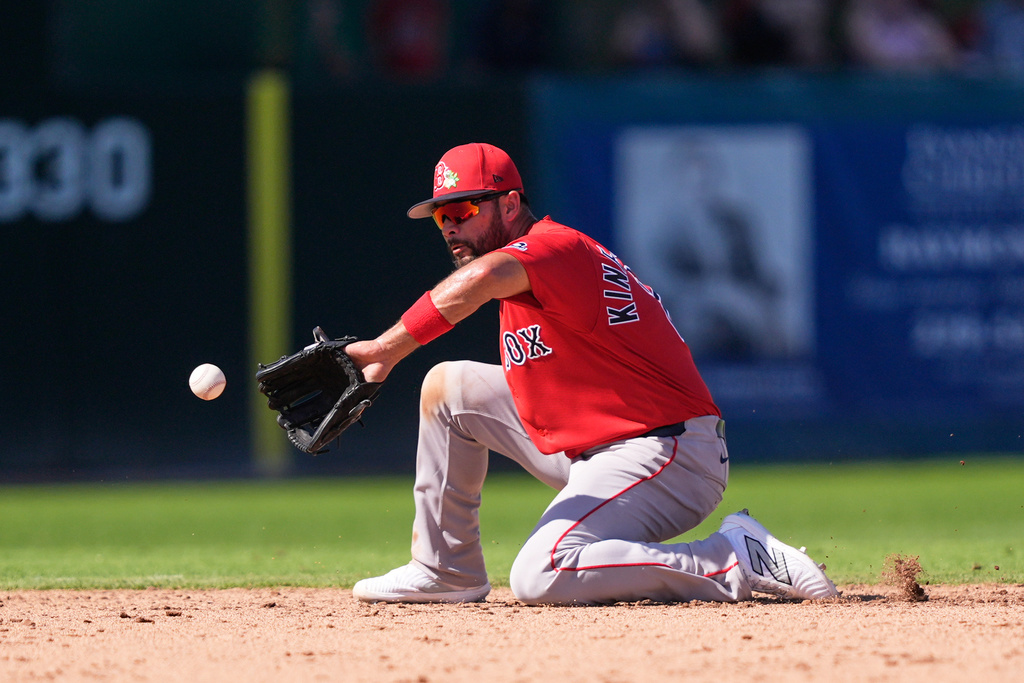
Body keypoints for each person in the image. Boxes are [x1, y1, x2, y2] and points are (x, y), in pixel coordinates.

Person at [344, 143, 838, 605]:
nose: (450, 227)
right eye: (442, 217)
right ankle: (445, 569)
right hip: (601, 442)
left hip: (669, 452)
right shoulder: (533, 265)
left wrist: (385, 350)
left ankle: (730, 557)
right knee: (448, 387)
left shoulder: (554, 248)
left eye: (464, 211)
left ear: (511, 204)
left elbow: (483, 279)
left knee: (540, 574)